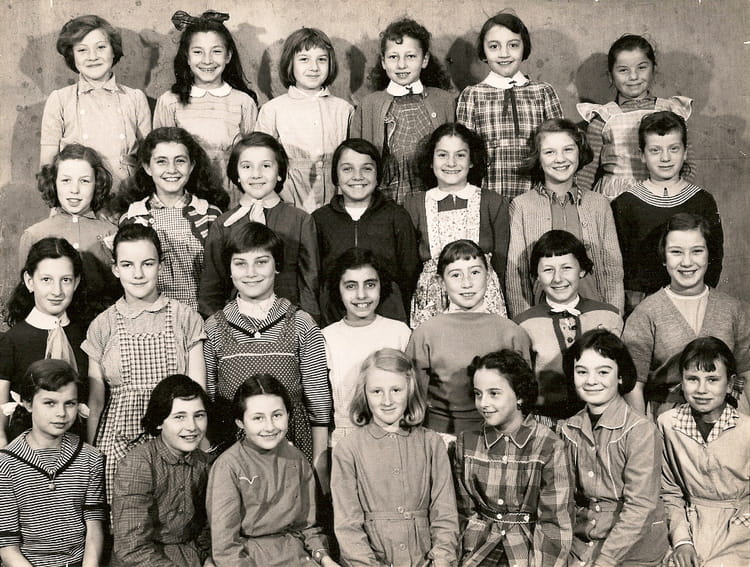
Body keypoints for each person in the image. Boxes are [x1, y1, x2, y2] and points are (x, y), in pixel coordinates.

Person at [84, 224, 206, 503]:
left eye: (147, 263)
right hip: (118, 443)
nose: (138, 274)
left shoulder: (186, 318)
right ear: (115, 269)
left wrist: (200, 442)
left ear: (161, 265)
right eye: (127, 265)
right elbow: (96, 401)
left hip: (176, 438)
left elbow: (198, 390)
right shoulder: (102, 325)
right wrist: (89, 455)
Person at [203, 222, 331, 484]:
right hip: (233, 448)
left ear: (277, 265)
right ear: (229, 269)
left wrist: (319, 468)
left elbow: (318, 405)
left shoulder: (301, 323)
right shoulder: (214, 327)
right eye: (240, 264)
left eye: (261, 262)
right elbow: (208, 400)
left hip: (292, 447)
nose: (251, 273)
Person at [331, 348, 458, 567]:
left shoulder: (432, 443)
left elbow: (444, 514)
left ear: (410, 390)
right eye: (376, 392)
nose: (387, 401)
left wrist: (442, 558)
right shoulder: (348, 449)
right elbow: (347, 525)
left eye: (396, 390)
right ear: (364, 393)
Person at [559, 330, 669, 567]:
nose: (591, 381)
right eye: (582, 372)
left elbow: (640, 507)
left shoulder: (641, 431)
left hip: (633, 549)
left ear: (620, 376)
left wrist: (604, 562)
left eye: (603, 372)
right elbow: (565, 499)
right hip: (583, 543)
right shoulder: (568, 428)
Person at [622, 213, 750, 415]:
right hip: (667, 420)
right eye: (676, 252)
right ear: (664, 257)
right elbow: (633, 386)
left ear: (708, 254)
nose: (687, 262)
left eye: (697, 251)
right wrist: (645, 431)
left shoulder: (734, 309)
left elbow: (747, 373)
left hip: (728, 417)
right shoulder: (645, 313)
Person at [455, 350, 573, 566]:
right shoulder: (466, 443)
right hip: (479, 549)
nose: (483, 403)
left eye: (494, 393)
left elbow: (554, 524)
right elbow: (464, 513)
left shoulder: (550, 446)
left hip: (529, 552)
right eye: (478, 394)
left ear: (520, 395)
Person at [207, 374, 338, 567]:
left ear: (288, 415)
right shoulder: (228, 466)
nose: (269, 427)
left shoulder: (297, 459)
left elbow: (308, 527)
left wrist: (325, 559)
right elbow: (226, 547)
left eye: (277, 415)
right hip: (249, 559)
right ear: (240, 422)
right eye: (258, 418)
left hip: (297, 557)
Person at [406, 240, 531, 441]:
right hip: (440, 438)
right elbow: (414, 401)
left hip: (499, 438)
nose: (467, 283)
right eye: (456, 275)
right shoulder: (425, 334)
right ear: (440, 282)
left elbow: (523, 398)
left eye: (475, 272)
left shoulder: (512, 333)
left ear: (488, 276)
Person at [506, 118, 624, 317]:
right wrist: (524, 322)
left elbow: (613, 271)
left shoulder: (598, 204)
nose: (560, 159)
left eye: (568, 149)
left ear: (579, 152)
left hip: (594, 317)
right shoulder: (521, 206)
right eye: (549, 152)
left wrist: (614, 318)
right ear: (538, 157)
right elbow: (516, 275)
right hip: (542, 319)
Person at [199, 132, 320, 321]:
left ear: (279, 173)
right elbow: (211, 289)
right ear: (236, 174)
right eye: (247, 166)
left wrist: (307, 325)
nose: (256, 174)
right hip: (237, 326)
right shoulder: (222, 225)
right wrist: (219, 328)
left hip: (288, 324)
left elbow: (309, 283)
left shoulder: (300, 221)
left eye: (266, 166)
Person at [612, 111, 723, 314]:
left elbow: (714, 259)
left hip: (692, 302)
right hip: (640, 308)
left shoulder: (703, 201)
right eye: (655, 150)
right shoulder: (625, 203)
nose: (665, 158)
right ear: (641, 154)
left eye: (673, 149)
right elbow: (618, 265)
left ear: (685, 152)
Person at [0, 359, 106, 567]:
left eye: (70, 403)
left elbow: (94, 530)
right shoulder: (6, 463)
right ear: (28, 403)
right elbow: (7, 546)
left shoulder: (90, 457)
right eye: (50, 403)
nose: (61, 413)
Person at [404, 123, 509, 327]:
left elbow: (502, 265)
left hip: (483, 302)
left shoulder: (493, 202)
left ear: (471, 160)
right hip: (432, 305)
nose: (451, 163)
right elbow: (409, 268)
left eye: (460, 155)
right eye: (442, 155)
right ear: (430, 160)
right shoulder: (414, 204)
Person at [658, 338, 750, 567]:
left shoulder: (746, 429)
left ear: (729, 384)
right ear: (681, 382)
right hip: (687, 525)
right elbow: (669, 492)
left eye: (712, 380)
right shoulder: (667, 424)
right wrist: (681, 542)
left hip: (740, 530)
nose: (701, 389)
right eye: (692, 379)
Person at [514, 230, 623, 421]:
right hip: (545, 421)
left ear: (581, 270)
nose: (558, 278)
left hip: (603, 419)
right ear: (537, 275)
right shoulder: (524, 324)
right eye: (548, 270)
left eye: (566, 268)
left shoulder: (609, 316)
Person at [116, 127, 228, 312]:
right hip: (150, 315)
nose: (171, 170)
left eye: (180, 161)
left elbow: (219, 278)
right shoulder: (132, 218)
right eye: (161, 161)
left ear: (191, 166)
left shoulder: (210, 214)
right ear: (147, 167)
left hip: (200, 315)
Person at [457, 11, 563, 199]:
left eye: (513, 45)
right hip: (488, 198)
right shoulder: (472, 95)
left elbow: (559, 146)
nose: (504, 54)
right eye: (494, 46)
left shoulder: (543, 92)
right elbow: (463, 153)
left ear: (524, 48)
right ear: (483, 51)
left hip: (538, 197)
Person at [313, 138, 419, 325]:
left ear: (378, 174)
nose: (358, 176)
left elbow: (409, 272)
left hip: (388, 318)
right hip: (334, 321)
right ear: (335, 175)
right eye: (347, 169)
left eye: (367, 169)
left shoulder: (396, 216)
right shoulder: (320, 220)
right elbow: (314, 276)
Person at [112, 374, 213, 567]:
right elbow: (131, 547)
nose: (192, 427)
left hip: (192, 557)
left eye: (199, 415)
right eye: (179, 417)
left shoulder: (207, 464)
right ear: (159, 421)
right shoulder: (138, 464)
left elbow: (207, 531)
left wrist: (209, 558)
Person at [350, 17, 455, 204]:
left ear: (425, 60)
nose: (401, 65)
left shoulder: (444, 101)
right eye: (393, 57)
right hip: (387, 200)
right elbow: (355, 158)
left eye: (410, 56)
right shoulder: (369, 105)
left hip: (434, 197)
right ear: (383, 61)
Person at [154, 10, 258, 195]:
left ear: (228, 56)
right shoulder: (168, 102)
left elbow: (255, 156)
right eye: (198, 52)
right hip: (184, 197)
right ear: (187, 56)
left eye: (216, 51)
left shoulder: (244, 102)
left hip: (233, 195)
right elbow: (159, 156)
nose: (207, 60)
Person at [577, 34, 693, 199]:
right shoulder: (603, 119)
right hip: (615, 198)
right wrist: (582, 204)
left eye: (641, 67)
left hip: (662, 194)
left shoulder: (672, 112)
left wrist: (681, 196)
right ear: (610, 76)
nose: (633, 76)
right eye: (623, 70)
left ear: (654, 70)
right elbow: (587, 172)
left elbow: (688, 164)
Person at [1, 238, 90, 446]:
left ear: (76, 282)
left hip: (77, 451)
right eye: (46, 280)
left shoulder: (87, 335)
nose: (57, 291)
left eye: (65, 280)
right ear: (29, 281)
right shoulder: (11, 341)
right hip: (23, 453)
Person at [41, 14, 151, 183]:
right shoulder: (60, 100)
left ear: (113, 51)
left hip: (127, 192)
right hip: (79, 194)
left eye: (101, 47)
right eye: (82, 50)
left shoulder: (135, 98)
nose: (92, 57)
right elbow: (47, 165)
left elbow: (148, 157)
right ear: (72, 56)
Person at [255, 27, 353, 212]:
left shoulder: (344, 109)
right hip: (289, 198)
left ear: (330, 63)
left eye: (321, 59)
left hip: (335, 199)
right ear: (289, 63)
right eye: (304, 59)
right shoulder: (273, 110)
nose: (314, 67)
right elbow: (260, 160)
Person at [322, 249, 412, 445]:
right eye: (351, 286)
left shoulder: (400, 332)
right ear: (338, 289)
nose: (361, 295)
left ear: (382, 285)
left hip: (395, 436)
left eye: (370, 284)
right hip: (346, 440)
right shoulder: (326, 337)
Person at [21, 143, 118, 312]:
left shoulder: (111, 232)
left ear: (97, 184)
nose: (75, 190)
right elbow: (24, 298)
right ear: (53, 182)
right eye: (66, 180)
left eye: (84, 181)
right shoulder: (34, 235)